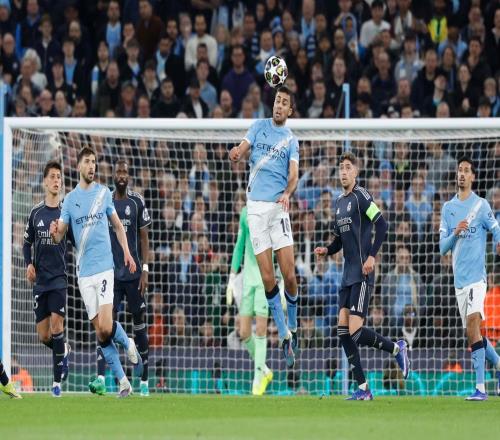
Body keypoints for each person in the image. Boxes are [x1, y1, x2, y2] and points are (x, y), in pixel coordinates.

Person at [314, 152, 410, 400]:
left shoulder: (362, 196)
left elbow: (382, 225)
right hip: (347, 276)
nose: (344, 172)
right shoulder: (338, 203)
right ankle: (363, 388)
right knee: (343, 332)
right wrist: (327, 250)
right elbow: (339, 241)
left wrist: (372, 256)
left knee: (355, 331)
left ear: (356, 172)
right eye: (341, 168)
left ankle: (397, 348)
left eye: (348, 167)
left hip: (363, 273)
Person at [50, 147, 141, 398]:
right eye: (88, 162)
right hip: (83, 274)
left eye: (94, 162)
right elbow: (60, 236)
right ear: (79, 166)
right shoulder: (69, 200)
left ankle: (128, 343)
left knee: (106, 325)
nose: (92, 166)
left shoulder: (103, 194)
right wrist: (55, 231)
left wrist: (127, 252)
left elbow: (118, 226)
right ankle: (124, 383)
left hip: (104, 268)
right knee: (100, 332)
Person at [229, 85, 300, 367]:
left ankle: (292, 326)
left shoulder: (291, 140)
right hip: (256, 210)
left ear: (290, 110)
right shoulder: (258, 127)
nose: (279, 105)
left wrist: (288, 193)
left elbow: (293, 175)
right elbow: (241, 148)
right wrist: (236, 152)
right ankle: (284, 334)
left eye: (284, 103)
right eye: (277, 101)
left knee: (289, 276)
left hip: (278, 207)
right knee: (268, 278)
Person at [439, 156, 500, 401]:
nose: (462, 174)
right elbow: (442, 247)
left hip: (477, 278)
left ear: (473, 176)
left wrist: (498, 241)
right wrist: (456, 233)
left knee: (474, 322)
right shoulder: (448, 208)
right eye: (460, 170)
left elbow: (496, 228)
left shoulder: (481, 205)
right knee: (473, 333)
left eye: (466, 170)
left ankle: (480, 388)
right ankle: (499, 365)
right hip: (459, 282)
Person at [91, 160, 152, 397]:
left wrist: (145, 269)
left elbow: (144, 237)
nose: (122, 175)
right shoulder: (104, 200)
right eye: (118, 172)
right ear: (114, 175)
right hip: (111, 275)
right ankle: (102, 378)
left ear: (129, 175)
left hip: (134, 275)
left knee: (139, 323)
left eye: (125, 172)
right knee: (104, 326)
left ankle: (144, 380)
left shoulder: (137, 201)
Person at [23, 160, 71, 397]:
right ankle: (64, 351)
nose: (56, 180)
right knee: (44, 336)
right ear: (44, 182)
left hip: (59, 279)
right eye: (52, 176)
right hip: (40, 282)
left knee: (56, 326)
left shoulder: (65, 214)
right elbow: (26, 243)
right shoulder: (36, 213)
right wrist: (28, 264)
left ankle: (56, 384)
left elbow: (75, 241)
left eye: (58, 177)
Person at [226, 205, 273, 395]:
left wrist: (280, 278)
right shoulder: (245, 213)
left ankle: (257, 380)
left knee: (261, 329)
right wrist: (231, 278)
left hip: (265, 279)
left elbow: (279, 247)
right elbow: (239, 246)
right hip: (247, 280)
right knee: (244, 332)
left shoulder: (271, 209)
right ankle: (265, 370)